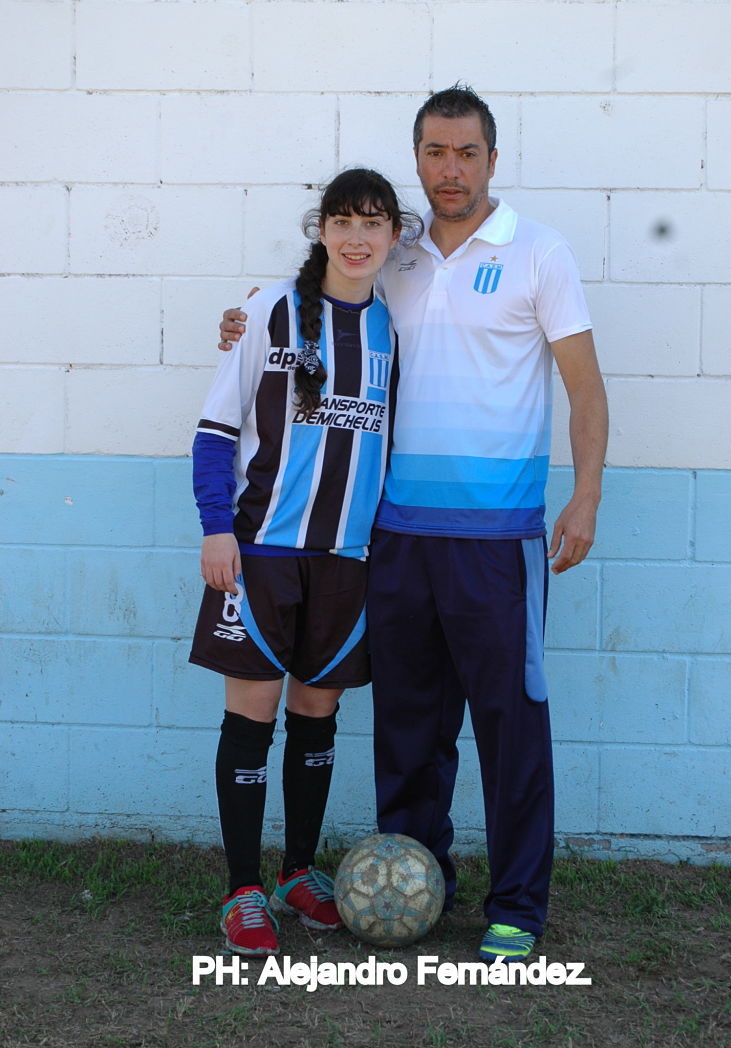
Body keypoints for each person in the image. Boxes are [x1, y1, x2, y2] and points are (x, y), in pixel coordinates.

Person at [218, 85, 609, 962]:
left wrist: (584, 495)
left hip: (498, 539)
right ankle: (414, 879)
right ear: (419, 158)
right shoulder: (395, 253)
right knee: (408, 728)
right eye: (435, 152)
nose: (451, 169)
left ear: (492, 161)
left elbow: (585, 387)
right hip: (392, 540)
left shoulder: (540, 253)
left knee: (510, 726)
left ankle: (517, 905)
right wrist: (244, 318)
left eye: (467, 153)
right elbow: (314, 294)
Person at [192, 168, 419, 957]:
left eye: (375, 224)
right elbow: (216, 430)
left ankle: (296, 875)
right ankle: (242, 889)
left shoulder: (395, 327)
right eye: (344, 221)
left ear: (394, 238)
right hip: (259, 555)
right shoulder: (267, 311)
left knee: (317, 717)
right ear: (321, 229)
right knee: (249, 719)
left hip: (349, 563)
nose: (359, 238)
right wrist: (216, 528)